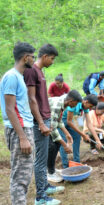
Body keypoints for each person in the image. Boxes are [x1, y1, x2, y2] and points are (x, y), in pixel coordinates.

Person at [23, 44, 64, 205]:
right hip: (38, 121)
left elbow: (41, 98)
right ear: (45, 56)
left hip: (45, 119)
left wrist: (47, 120)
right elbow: (31, 99)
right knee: (40, 160)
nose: (52, 62)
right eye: (52, 59)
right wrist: (41, 123)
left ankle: (45, 186)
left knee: (44, 156)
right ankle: (40, 197)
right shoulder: (32, 71)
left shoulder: (40, 72)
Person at [0, 42, 36, 205]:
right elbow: (9, 108)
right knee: (20, 178)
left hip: (23, 128)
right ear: (26, 57)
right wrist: (22, 137)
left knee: (25, 174)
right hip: (19, 130)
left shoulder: (18, 76)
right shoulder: (11, 77)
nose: (34, 60)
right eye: (33, 57)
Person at [47, 90, 82, 183]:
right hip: (39, 123)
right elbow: (52, 128)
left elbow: (59, 121)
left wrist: (67, 134)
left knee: (56, 145)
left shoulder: (64, 102)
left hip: (49, 123)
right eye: (76, 103)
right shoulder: (57, 105)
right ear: (71, 101)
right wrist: (65, 144)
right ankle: (50, 173)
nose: (75, 106)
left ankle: (52, 169)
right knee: (51, 146)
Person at [59, 94, 102, 168]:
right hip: (60, 119)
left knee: (77, 136)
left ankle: (77, 162)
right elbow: (69, 122)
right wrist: (83, 134)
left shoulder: (85, 106)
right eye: (90, 106)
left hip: (69, 118)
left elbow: (89, 124)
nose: (90, 108)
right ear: (86, 102)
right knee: (64, 141)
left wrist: (97, 140)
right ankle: (65, 166)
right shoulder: (75, 103)